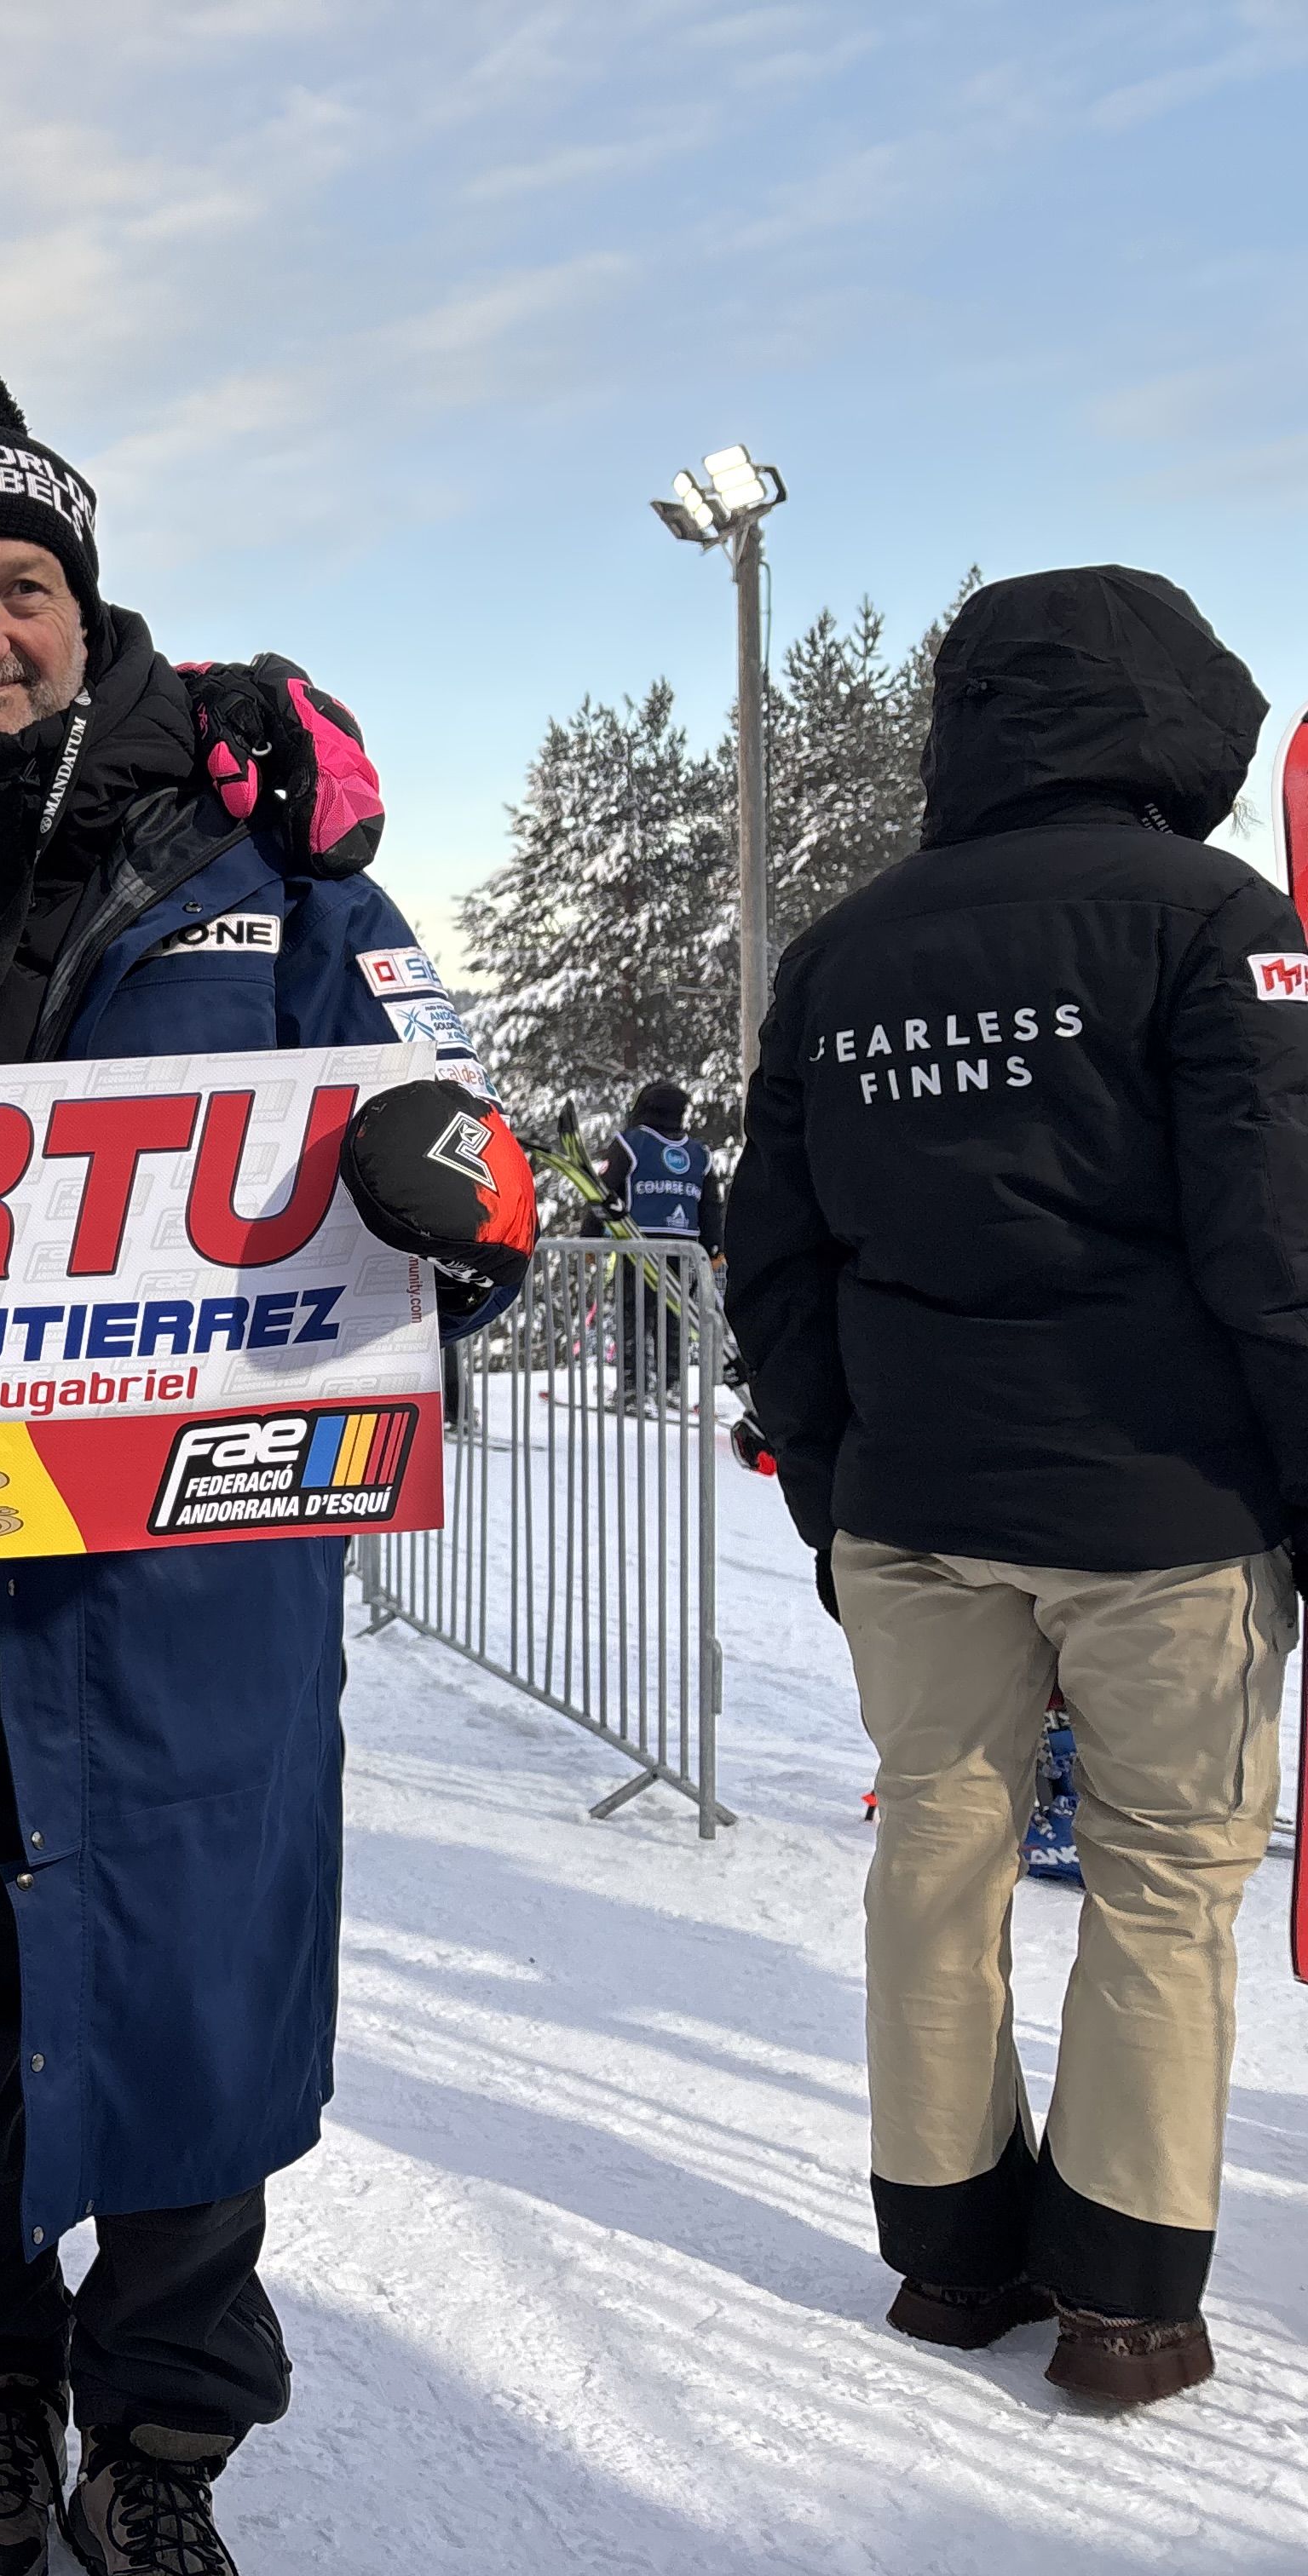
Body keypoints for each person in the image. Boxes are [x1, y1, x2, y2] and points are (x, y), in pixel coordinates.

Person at [0, 356, 532, 2576]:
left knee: (201, 1999)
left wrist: (451, 1191)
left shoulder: (248, 851)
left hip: (193, 1572)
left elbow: (470, 1159)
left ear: (84, 608)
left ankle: (162, 2450)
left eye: (20, 587)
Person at [725, 564, 1289, 2409]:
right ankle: (1124, 2299)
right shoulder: (1217, 918)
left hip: (917, 1508)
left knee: (940, 1858)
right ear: (1182, 709)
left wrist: (829, 1489)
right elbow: (1279, 1250)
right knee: (1159, 1877)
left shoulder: (847, 949)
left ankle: (955, 2260)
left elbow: (776, 1259)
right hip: (1161, 1510)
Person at [595, 1079, 718, 1403]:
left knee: (633, 1316)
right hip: (685, 1250)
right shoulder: (698, 1153)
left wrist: (590, 1239)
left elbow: (603, 1192)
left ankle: (632, 1386)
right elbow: (710, 1205)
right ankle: (671, 1385)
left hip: (638, 1244)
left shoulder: (631, 1143)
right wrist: (714, 1247)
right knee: (674, 1316)